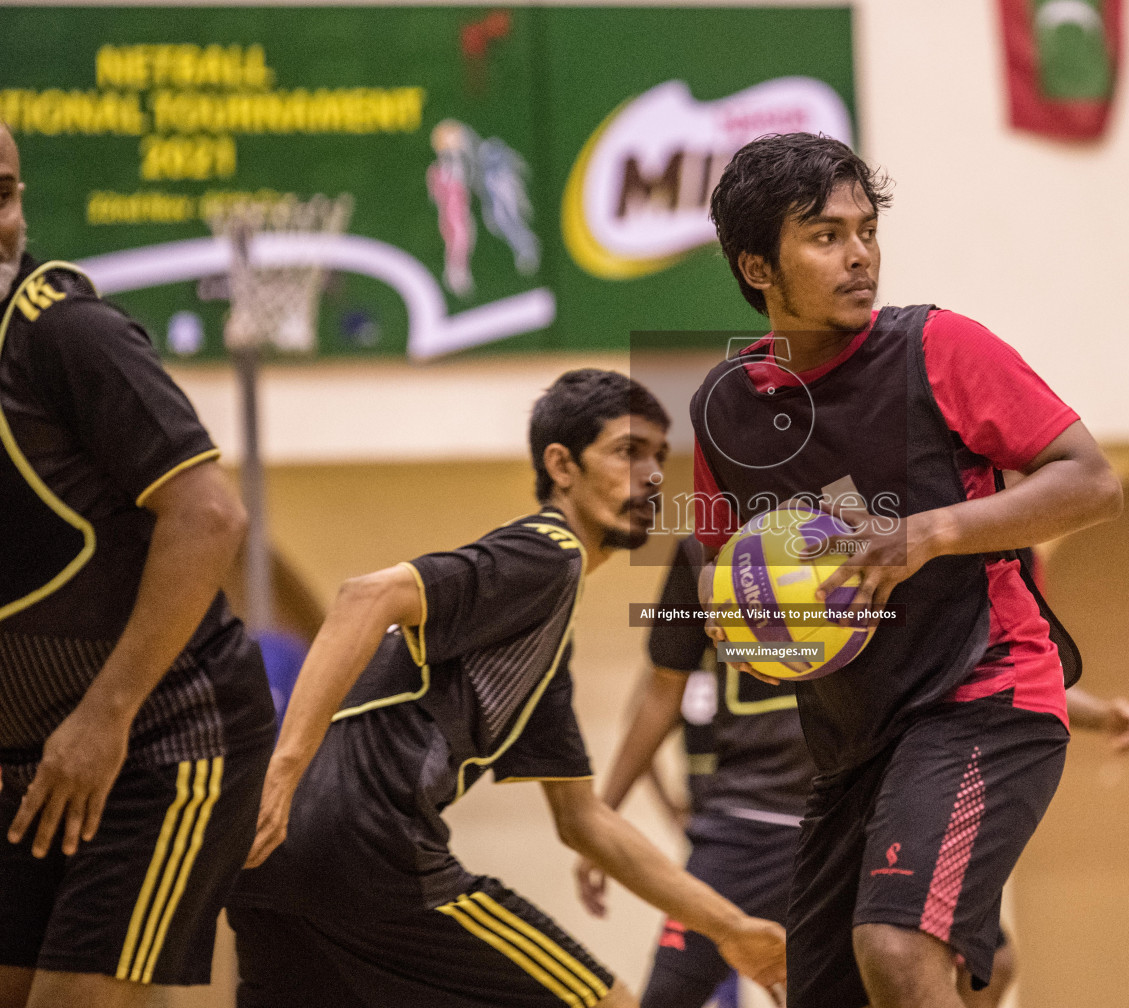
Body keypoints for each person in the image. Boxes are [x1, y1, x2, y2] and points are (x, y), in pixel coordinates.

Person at [692, 133, 1123, 1008]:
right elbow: (722, 583)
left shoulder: (939, 347)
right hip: (854, 744)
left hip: (987, 694)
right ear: (757, 267)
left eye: (866, 228)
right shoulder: (723, 411)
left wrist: (926, 533)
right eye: (824, 236)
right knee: (820, 990)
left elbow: (1093, 481)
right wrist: (756, 624)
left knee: (896, 949)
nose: (859, 256)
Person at [228, 369, 787, 1008]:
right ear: (562, 465)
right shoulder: (548, 553)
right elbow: (367, 596)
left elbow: (583, 823)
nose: (653, 474)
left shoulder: (543, 642)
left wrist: (732, 927)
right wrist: (283, 770)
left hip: (271, 858)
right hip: (369, 845)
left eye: (660, 456)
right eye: (628, 450)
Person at [575, 538, 1129, 1008]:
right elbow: (659, 693)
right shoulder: (706, 548)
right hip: (749, 816)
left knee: (988, 963)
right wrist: (600, 820)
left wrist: (1098, 714)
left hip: (866, 800)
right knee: (668, 998)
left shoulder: (878, 532)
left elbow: (969, 669)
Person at [0, 123, 276, 1008]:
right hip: (30, 753)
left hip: (164, 736)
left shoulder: (64, 333)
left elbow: (210, 517)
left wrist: (103, 715)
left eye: (2, 196)